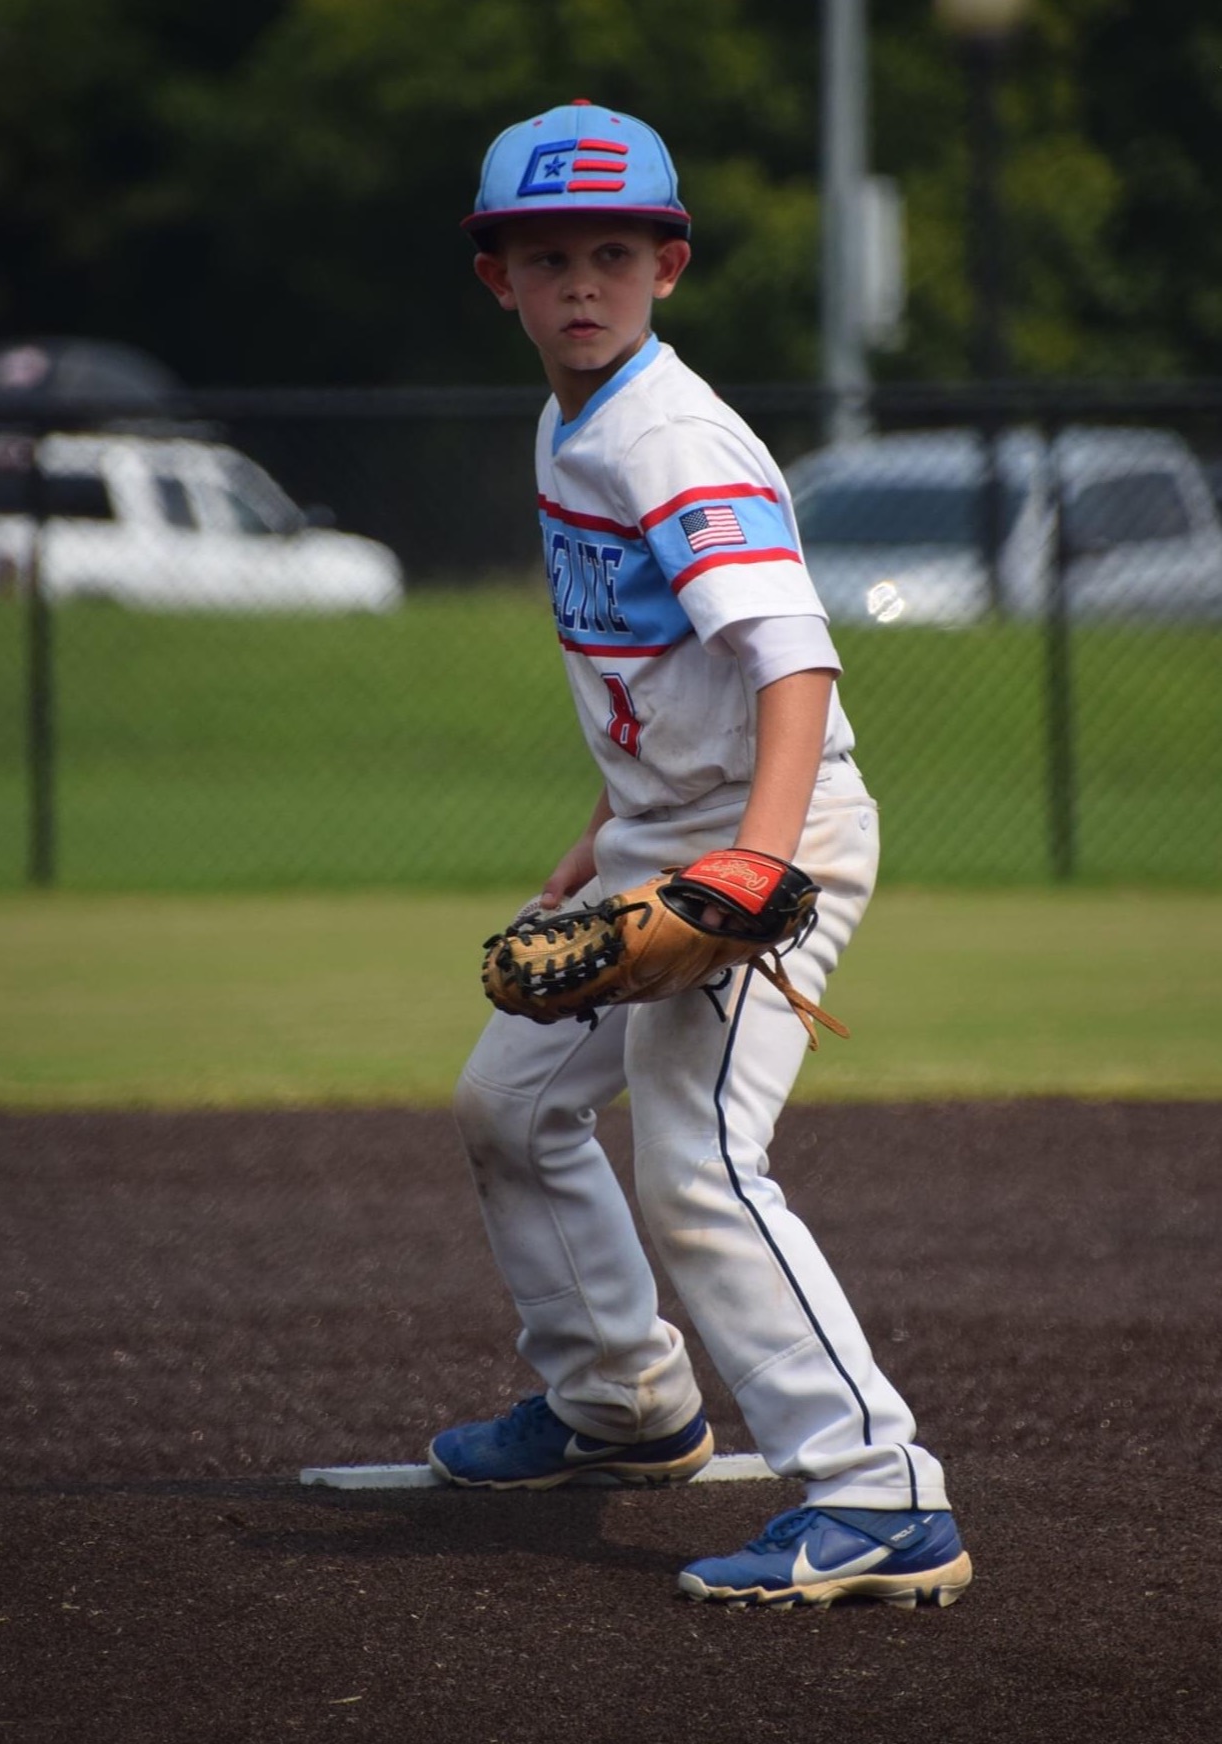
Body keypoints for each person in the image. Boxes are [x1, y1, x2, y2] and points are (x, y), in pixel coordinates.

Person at [427, 99, 972, 1611]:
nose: (580, 284)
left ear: (667, 266)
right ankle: (622, 1402)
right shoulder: (573, 418)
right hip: (670, 833)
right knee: (511, 1101)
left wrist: (753, 870)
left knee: (700, 1161)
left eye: (612, 254)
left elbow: (795, 662)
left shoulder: (666, 433)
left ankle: (879, 1494)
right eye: (547, 259)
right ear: (498, 281)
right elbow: (664, 673)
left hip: (763, 843)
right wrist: (609, 829)